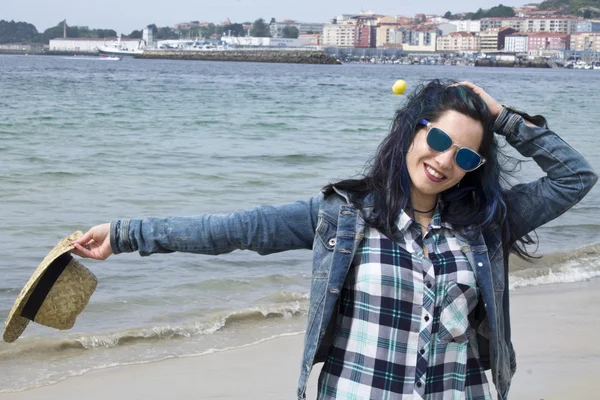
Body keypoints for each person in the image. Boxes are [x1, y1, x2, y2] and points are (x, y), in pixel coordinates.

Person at [71, 80, 597, 400]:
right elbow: (234, 229)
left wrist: (504, 118)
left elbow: (575, 176)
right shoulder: (342, 217)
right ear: (410, 132)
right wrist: (125, 235)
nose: (443, 160)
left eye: (464, 155)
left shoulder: (486, 223)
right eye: (437, 139)